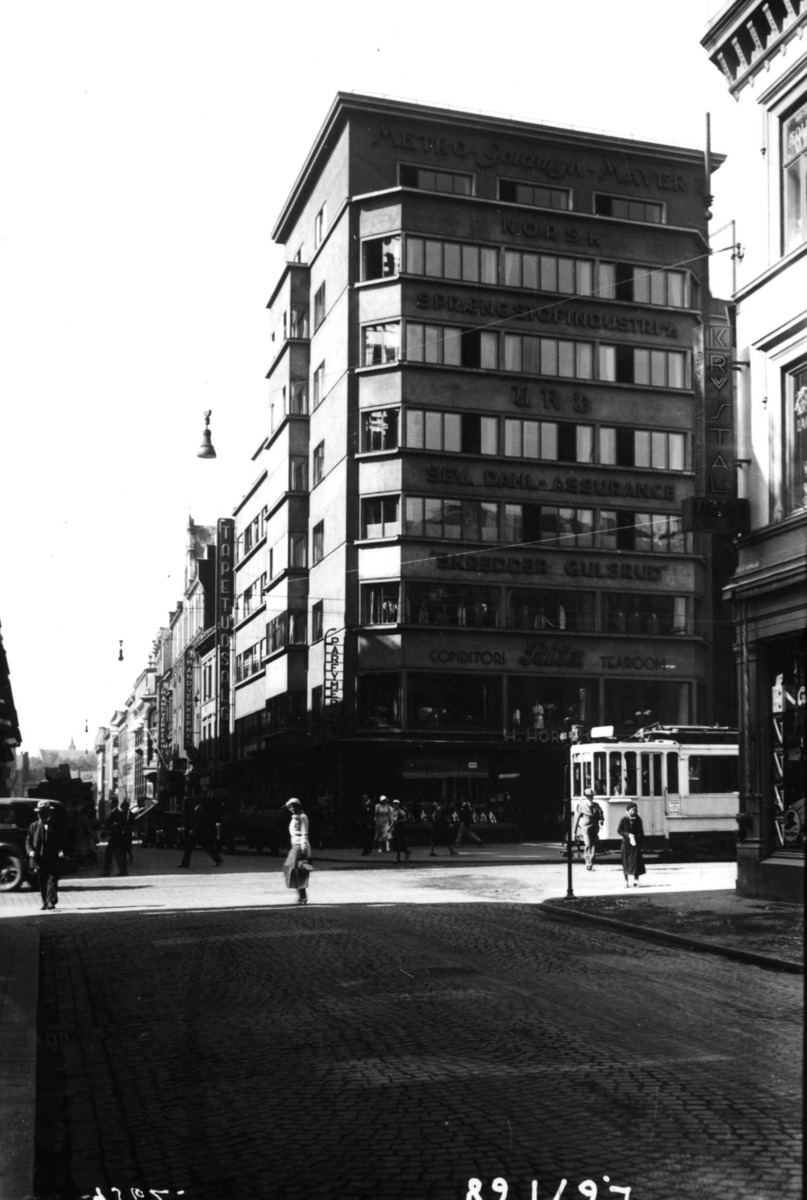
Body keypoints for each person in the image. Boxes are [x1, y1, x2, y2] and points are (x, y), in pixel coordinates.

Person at [26, 800, 68, 910]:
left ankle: (51, 901)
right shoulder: (33, 826)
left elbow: (63, 840)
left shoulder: (56, 826)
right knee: (42, 881)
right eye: (39, 812)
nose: (41, 814)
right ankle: (44, 901)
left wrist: (61, 850)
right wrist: (30, 851)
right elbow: (28, 841)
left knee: (52, 880)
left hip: (53, 857)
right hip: (39, 858)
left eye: (43, 812)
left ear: (48, 813)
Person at [178, 799, 224, 868]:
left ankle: (185, 863)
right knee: (206, 847)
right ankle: (218, 859)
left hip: (197, 832)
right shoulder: (200, 809)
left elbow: (197, 821)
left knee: (189, 848)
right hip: (200, 832)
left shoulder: (198, 809)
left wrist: (192, 829)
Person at [283, 798, 312, 905]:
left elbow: (304, 833)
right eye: (289, 807)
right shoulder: (294, 818)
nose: (291, 809)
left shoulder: (303, 817)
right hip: (295, 846)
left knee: (298, 872)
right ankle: (301, 895)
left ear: (297, 806)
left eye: (293, 806)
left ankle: (302, 896)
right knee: (289, 870)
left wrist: (304, 849)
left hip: (300, 846)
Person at [573, 787, 604, 870]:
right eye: (589, 796)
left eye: (592, 796)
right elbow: (576, 818)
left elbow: (601, 815)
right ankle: (588, 863)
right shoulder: (581, 806)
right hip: (586, 828)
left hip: (595, 828)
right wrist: (574, 832)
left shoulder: (596, 805)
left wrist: (601, 820)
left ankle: (591, 861)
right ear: (586, 796)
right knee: (587, 844)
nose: (591, 797)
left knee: (593, 845)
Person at [618, 802, 646, 887]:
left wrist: (641, 843)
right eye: (632, 810)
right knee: (625, 862)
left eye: (635, 810)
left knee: (636, 862)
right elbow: (619, 830)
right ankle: (626, 881)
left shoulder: (638, 819)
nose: (634, 811)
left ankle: (636, 880)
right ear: (628, 810)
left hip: (635, 844)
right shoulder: (624, 819)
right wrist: (628, 835)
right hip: (626, 844)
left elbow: (641, 832)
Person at [103, 800, 129, 876]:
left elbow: (118, 825)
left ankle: (121, 871)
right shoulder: (115, 812)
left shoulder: (117, 813)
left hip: (116, 837)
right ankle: (109, 870)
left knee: (117, 855)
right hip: (115, 837)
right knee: (111, 854)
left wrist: (110, 827)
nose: (109, 804)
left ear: (114, 804)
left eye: (111, 803)